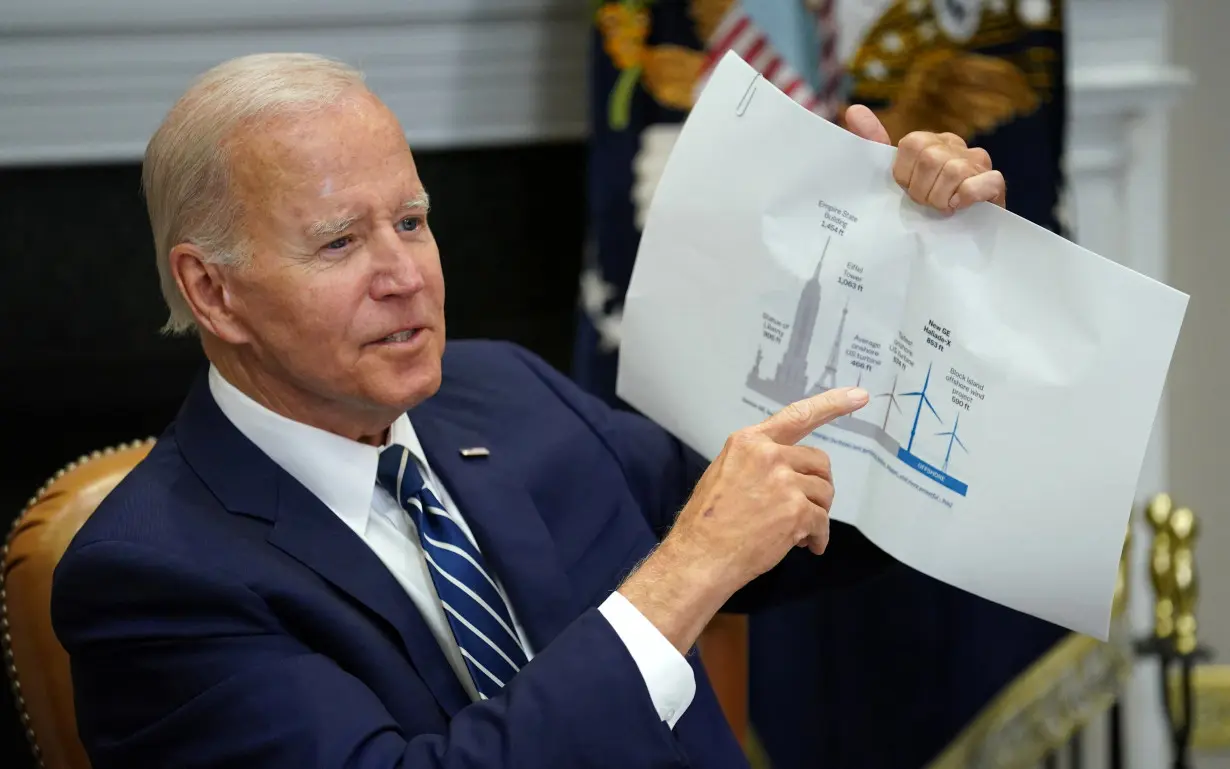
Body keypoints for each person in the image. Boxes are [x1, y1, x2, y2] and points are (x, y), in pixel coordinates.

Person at [49, 53, 1007, 769]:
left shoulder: (503, 390)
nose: (406, 276)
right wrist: (684, 572)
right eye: (341, 241)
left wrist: (912, 274)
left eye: (413, 222)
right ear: (212, 293)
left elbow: (804, 518)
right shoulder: (152, 579)